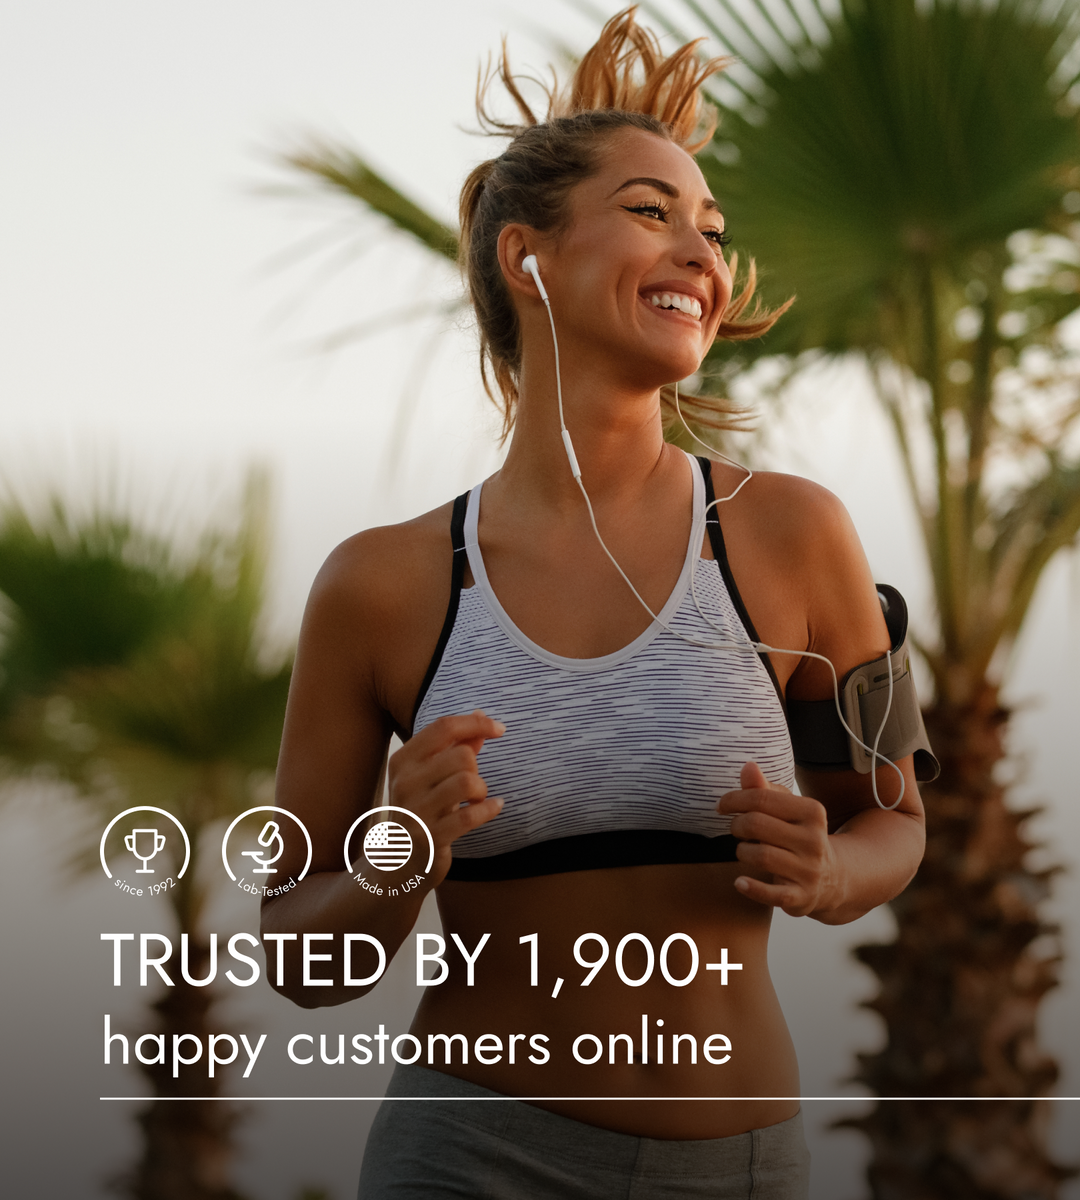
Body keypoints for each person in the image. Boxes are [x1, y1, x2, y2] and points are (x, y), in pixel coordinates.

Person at [263, 10, 928, 1198]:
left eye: (712, 229)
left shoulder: (796, 535)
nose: (703, 254)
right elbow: (301, 958)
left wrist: (831, 874)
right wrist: (399, 851)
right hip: (468, 1158)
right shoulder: (380, 585)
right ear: (528, 258)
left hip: (739, 1169)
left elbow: (896, 823)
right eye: (651, 212)